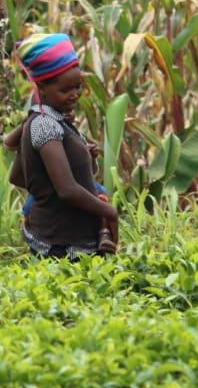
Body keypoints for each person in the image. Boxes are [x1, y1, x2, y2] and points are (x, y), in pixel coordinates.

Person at [9, 33, 118, 258]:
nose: (74, 95)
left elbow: (82, 176)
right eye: (65, 90)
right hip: (61, 248)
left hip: (74, 243)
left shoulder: (60, 121)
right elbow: (67, 190)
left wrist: (89, 158)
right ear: (42, 87)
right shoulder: (44, 126)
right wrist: (109, 211)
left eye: (77, 87)